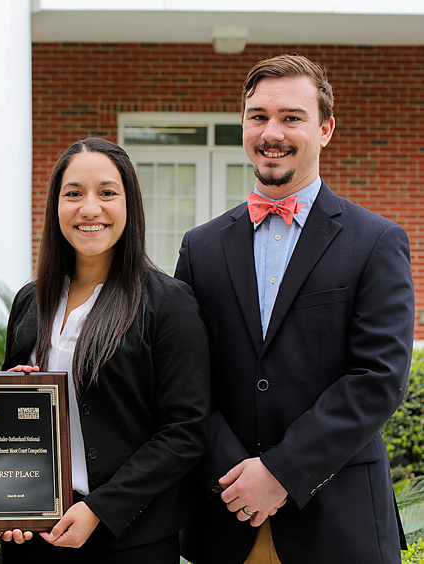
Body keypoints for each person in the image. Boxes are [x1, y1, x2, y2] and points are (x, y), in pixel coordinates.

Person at [175, 54, 414, 564]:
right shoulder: (201, 248)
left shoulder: (376, 242)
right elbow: (184, 379)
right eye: (258, 116)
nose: (271, 132)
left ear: (325, 129)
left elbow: (378, 377)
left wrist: (281, 471)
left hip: (339, 523)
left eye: (291, 117)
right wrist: (236, 476)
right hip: (226, 518)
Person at [0, 137, 211, 563]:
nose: (89, 208)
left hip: (129, 537)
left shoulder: (167, 303)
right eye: (73, 193)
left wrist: (101, 508)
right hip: (38, 532)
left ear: (129, 204)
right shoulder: (31, 300)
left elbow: (185, 432)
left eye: (107, 193)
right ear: (56, 207)